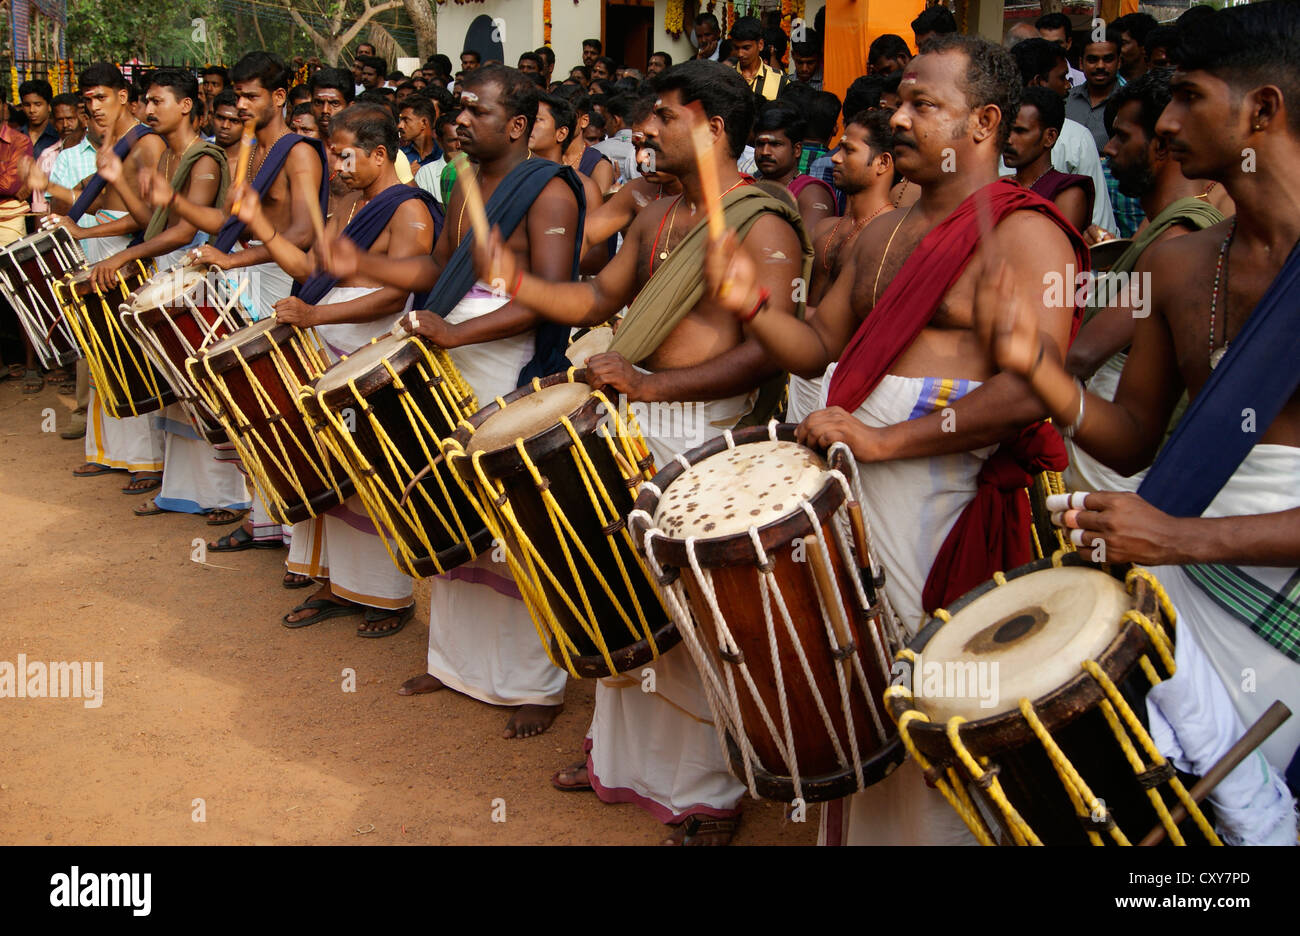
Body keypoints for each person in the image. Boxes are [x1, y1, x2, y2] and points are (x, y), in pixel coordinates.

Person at [708, 34, 1085, 845]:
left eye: (925, 106)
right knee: (859, 675)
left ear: (983, 122)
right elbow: (817, 348)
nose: (900, 118)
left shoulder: (1026, 235)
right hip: (855, 493)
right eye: (898, 103)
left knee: (938, 684)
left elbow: (1026, 392)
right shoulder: (878, 235)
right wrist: (754, 308)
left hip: (940, 505)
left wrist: (885, 444)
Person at [476, 59, 810, 844]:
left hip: (708, 436)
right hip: (635, 425)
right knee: (625, 596)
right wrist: (519, 285)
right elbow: (596, 299)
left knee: (698, 617)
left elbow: (769, 353)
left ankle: (709, 790)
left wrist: (652, 386)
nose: (644, 130)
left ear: (715, 128)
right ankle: (622, 763)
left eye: (662, 116)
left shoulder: (762, 223)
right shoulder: (661, 214)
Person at [977, 0, 1300, 801]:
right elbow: (1131, 442)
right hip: (1186, 579)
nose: (1163, 123)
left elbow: (1171, 523)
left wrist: (1178, 536)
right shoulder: (1181, 264)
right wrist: (1040, 371)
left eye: (1189, 95)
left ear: (1262, 110)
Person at [321, 65, 584, 733]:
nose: (457, 121)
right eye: (456, 109)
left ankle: (533, 683)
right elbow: (438, 268)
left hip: (507, 364)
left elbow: (546, 298)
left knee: (511, 522)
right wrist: (370, 267)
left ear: (519, 127)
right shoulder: (457, 182)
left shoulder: (550, 193)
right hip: (449, 357)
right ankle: (456, 664)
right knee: (451, 510)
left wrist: (456, 330)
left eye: (476, 111)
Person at [227, 102, 434, 636]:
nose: (336, 168)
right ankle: (340, 584)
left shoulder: (408, 210)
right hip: (327, 359)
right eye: (333, 156)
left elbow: (394, 296)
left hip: (369, 370)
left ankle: (389, 597)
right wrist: (261, 229)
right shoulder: (347, 207)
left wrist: (316, 314)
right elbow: (308, 270)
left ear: (380, 153)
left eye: (344, 157)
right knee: (336, 479)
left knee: (371, 479)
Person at [155, 52, 327, 556]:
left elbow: (301, 231)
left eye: (252, 96)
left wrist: (231, 262)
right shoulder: (250, 151)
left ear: (279, 97)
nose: (242, 104)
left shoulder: (298, 152)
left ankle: (299, 531)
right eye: (238, 94)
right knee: (246, 407)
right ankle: (264, 519)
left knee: (278, 404)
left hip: (279, 281)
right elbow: (233, 221)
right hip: (248, 274)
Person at [85, 69, 245, 522]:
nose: (149, 110)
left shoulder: (204, 160)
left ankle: (227, 494)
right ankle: (180, 488)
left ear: (187, 105)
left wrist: (124, 257)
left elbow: (185, 230)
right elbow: (147, 216)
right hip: (166, 278)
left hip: (194, 281)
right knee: (178, 389)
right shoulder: (168, 160)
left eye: (158, 101)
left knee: (202, 387)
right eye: (147, 102)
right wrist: (115, 178)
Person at [1062, 67, 1224, 495]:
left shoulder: (1182, 233)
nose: (1109, 150)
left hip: (1116, 462)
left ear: (1163, 145)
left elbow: (1084, 353)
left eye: (1123, 136)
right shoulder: (1160, 227)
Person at [45, 63, 166, 491]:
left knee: (132, 357)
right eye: (88, 100)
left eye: (102, 97)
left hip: (128, 260)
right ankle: (111, 452)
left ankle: (147, 461)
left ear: (122, 97)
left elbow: (151, 220)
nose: (94, 107)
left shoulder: (147, 144)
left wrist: (85, 229)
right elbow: (95, 195)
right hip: (100, 257)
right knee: (102, 355)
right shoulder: (108, 141)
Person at [789, 109, 898, 423]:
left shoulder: (892, 237)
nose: (835, 158)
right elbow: (798, 296)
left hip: (852, 385)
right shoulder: (824, 228)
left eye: (849, 150)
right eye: (839, 147)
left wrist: (771, 305)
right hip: (802, 373)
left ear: (883, 163)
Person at [1005, 38, 1116, 236]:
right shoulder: (1077, 136)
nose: (1068, 86)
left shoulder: (1076, 139)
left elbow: (1097, 232)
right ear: (1039, 82)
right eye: (1062, 77)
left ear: (1050, 137)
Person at [1067, 28, 1143, 237]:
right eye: (1092, 60)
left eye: (1107, 59)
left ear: (1119, 61)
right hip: (1075, 205)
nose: (1100, 66)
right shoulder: (1066, 100)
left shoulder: (1132, 103)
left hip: (1123, 203)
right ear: (1081, 63)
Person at [1004, 86, 1093, 233]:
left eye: (1020, 131)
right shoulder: (1000, 185)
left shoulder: (1068, 193)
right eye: (1006, 130)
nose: (1008, 140)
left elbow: (1056, 251)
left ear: (1050, 137)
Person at [753, 100, 837, 231]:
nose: (765, 152)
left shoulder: (811, 193)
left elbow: (809, 249)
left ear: (797, 149)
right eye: (760, 144)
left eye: (775, 145)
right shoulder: (750, 184)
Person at [590, 93, 641, 185]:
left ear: (616, 120)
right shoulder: (653, 149)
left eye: (606, 120)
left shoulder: (595, 152)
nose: (605, 126)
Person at [731, 16, 785, 101]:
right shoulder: (725, 77)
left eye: (746, 48)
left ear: (760, 45)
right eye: (736, 48)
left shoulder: (780, 80)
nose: (740, 54)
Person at [1035, 11, 1085, 89]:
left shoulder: (1083, 81)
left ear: (1068, 43)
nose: (1051, 49)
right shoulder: (1030, 83)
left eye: (1057, 44)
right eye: (1045, 44)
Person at [397, 93, 440, 172]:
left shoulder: (442, 155)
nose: (400, 125)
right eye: (400, 120)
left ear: (423, 122)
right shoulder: (399, 156)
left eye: (406, 120)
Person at [308, 66, 353, 139]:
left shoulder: (361, 148)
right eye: (318, 102)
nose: (325, 110)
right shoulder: (301, 148)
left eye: (334, 103)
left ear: (350, 108)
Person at [1113, 12, 1158, 84]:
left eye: (1122, 43)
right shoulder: (1105, 82)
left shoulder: (1159, 82)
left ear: (1144, 47)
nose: (1114, 49)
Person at [19, 79, 58, 158]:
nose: (32, 110)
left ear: (49, 106)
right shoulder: (15, 136)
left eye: (38, 104)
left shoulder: (58, 136)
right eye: (27, 105)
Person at [209, 89, 243, 166]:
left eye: (234, 121)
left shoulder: (252, 164)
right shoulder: (199, 157)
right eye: (220, 118)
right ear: (212, 117)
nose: (225, 126)